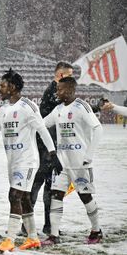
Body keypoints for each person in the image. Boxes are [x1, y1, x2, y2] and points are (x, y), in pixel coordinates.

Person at [0, 69, 60, 251]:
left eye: (3, 86)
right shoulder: (4, 110)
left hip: (27, 161)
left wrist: (53, 154)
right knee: (24, 200)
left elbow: (42, 130)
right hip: (12, 161)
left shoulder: (28, 106)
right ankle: (32, 238)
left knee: (14, 196)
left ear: (13, 87)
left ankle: (10, 239)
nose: (0, 89)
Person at [42, 77, 103, 245]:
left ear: (69, 90)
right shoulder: (58, 109)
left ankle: (96, 230)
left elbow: (98, 129)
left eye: (60, 89)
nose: (57, 92)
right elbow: (42, 124)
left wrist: (89, 155)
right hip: (62, 163)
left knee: (85, 196)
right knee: (56, 195)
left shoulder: (81, 107)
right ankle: (54, 235)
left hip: (80, 163)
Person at [30, 61, 73, 235]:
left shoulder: (55, 91)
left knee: (45, 183)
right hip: (46, 145)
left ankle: (43, 224)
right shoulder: (54, 92)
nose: (72, 79)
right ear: (61, 75)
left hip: (49, 144)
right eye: (70, 75)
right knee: (42, 182)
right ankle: (33, 223)